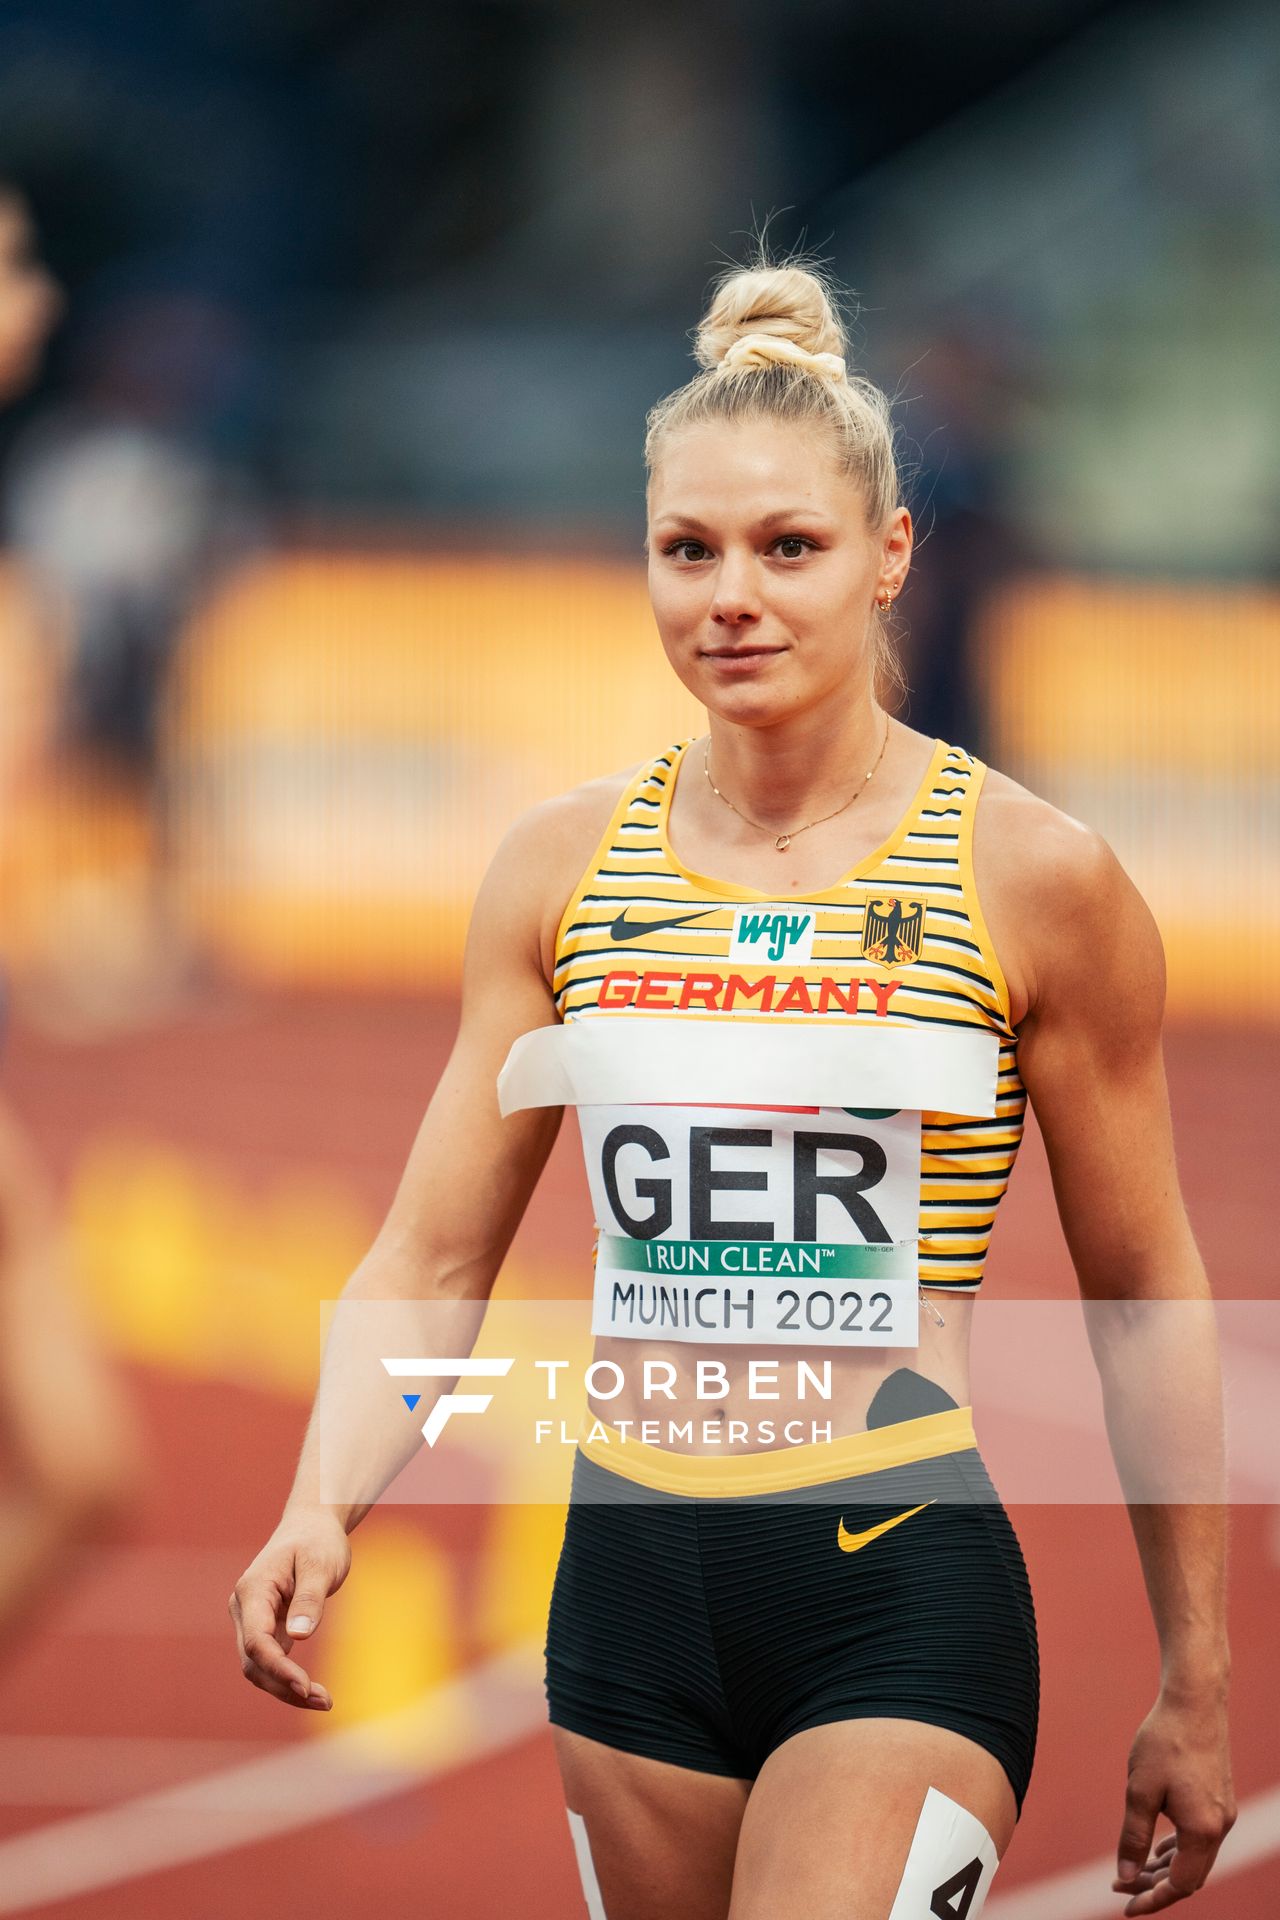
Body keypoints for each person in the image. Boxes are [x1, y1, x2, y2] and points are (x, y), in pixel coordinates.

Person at [228, 242, 1235, 1920]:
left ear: (892, 554)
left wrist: (1197, 1676)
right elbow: (433, 1257)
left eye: (788, 548)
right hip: (628, 1599)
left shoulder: (1030, 877)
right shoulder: (560, 871)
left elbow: (1144, 1291)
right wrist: (322, 1498)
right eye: (686, 551)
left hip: (890, 1587)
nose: (730, 598)